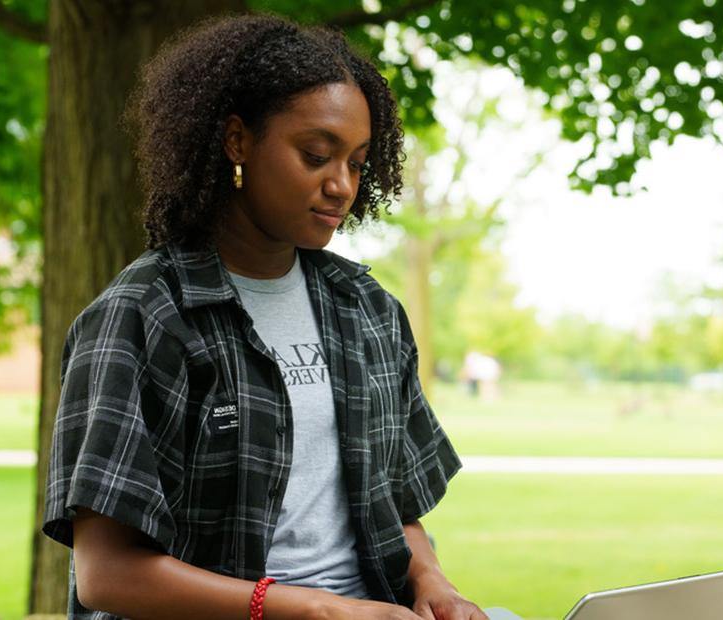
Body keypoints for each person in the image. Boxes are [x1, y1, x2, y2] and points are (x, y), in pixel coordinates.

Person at [39, 14, 484, 620]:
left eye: (356, 162)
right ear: (237, 141)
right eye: (317, 155)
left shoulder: (368, 311)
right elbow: (105, 574)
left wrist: (434, 584)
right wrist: (314, 610)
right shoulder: (143, 316)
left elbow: (396, 508)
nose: (342, 185)